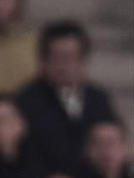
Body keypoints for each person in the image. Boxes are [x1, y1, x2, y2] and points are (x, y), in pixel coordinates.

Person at [12, 21, 121, 167]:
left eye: (70, 57)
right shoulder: (26, 101)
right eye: (57, 57)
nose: (64, 66)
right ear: (43, 60)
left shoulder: (98, 97)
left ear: (83, 60)